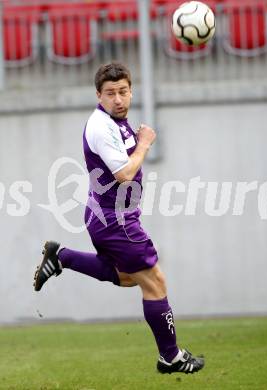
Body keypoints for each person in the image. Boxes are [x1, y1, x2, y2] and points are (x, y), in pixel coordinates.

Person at [34, 62, 204, 375]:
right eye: (110, 93)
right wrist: (144, 143)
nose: (118, 99)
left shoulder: (118, 121)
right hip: (116, 221)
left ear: (131, 91)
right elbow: (125, 173)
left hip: (112, 216)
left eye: (123, 92)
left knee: (127, 277)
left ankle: (62, 257)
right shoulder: (101, 126)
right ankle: (171, 357)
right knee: (154, 280)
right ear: (98, 96)